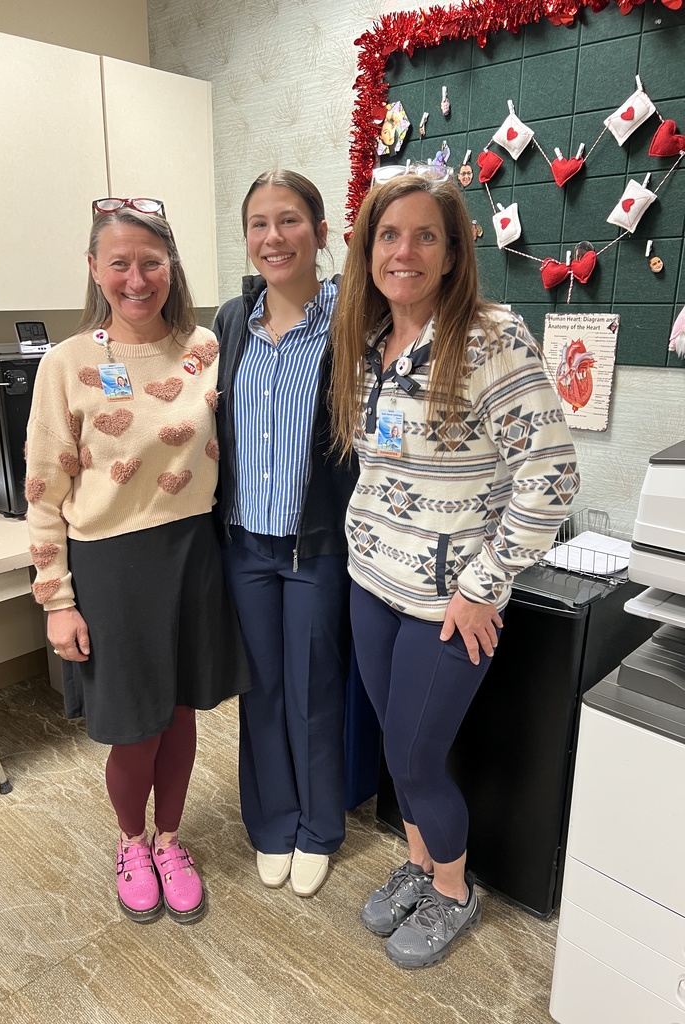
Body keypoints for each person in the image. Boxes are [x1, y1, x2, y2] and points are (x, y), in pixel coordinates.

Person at [329, 174, 579, 967]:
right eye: (389, 235)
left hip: (448, 600)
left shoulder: (490, 338)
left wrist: (485, 584)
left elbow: (552, 475)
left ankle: (453, 891)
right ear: (368, 249)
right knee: (394, 751)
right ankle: (420, 859)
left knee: (414, 757)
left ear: (452, 249)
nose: (404, 251)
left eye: (425, 235)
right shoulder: (367, 343)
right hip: (371, 580)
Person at [25, 197, 251, 925]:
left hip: (192, 553)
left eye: (150, 262)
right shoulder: (67, 364)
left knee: (180, 710)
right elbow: (44, 489)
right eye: (119, 263)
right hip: (110, 567)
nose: (136, 277)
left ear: (171, 266)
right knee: (134, 724)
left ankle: (170, 841)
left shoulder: (205, 347)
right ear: (95, 269)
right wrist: (56, 599)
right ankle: (131, 843)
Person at [213, 170, 357, 897]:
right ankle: (272, 823)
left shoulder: (352, 322)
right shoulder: (230, 322)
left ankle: (317, 828)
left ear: (321, 233)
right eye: (259, 223)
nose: (274, 237)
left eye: (291, 220)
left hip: (315, 545)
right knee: (262, 688)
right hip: (244, 544)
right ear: (247, 238)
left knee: (313, 689)